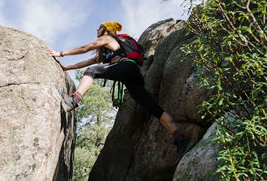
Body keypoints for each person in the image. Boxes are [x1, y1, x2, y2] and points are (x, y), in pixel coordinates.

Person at [48, 21, 195, 164]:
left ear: (106, 29)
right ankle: (181, 138)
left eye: (99, 27)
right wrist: (66, 68)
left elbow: (85, 47)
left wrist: (60, 53)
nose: (96, 30)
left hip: (125, 67)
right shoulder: (107, 51)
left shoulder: (108, 39)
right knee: (152, 107)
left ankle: (74, 100)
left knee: (92, 71)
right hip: (133, 74)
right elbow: (85, 62)